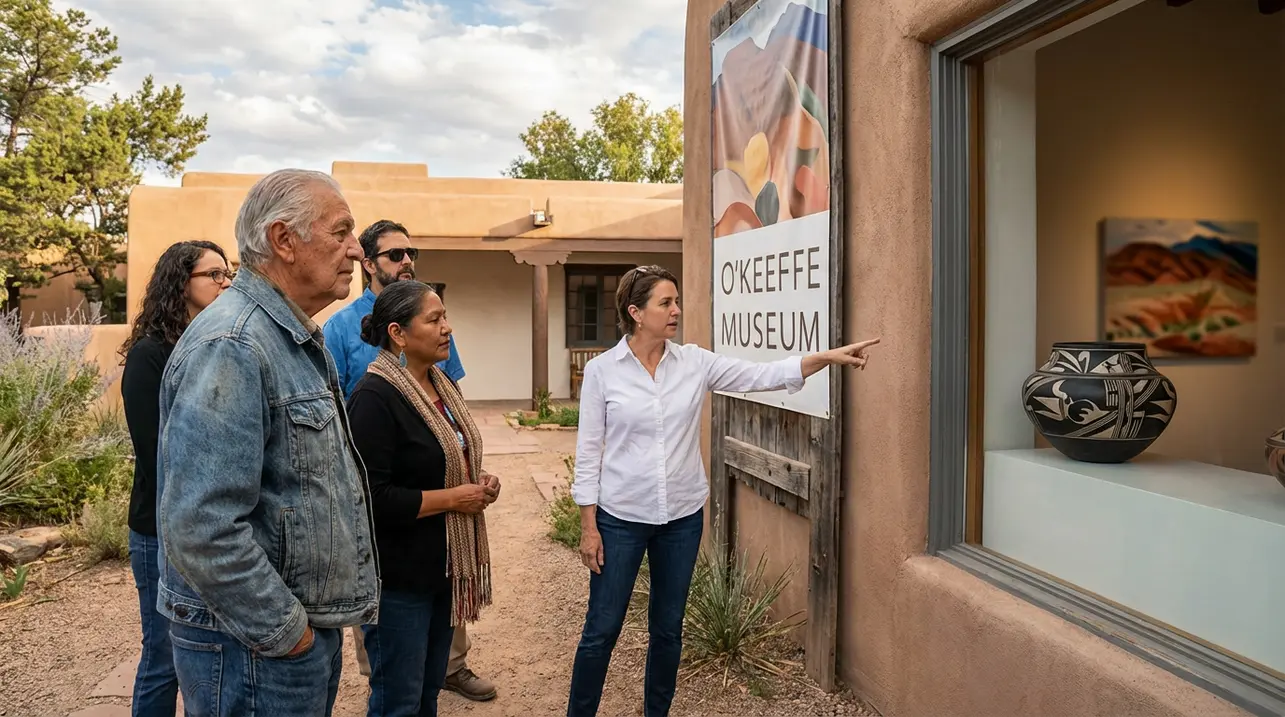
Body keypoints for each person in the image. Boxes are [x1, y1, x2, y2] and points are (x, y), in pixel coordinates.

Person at [566, 265, 880, 717]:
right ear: (636, 312)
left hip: (681, 518)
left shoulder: (694, 362)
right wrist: (588, 526)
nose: (676, 310)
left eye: (676, 301)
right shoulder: (602, 373)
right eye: (665, 303)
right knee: (602, 628)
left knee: (668, 629)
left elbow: (761, 375)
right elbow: (589, 452)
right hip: (620, 519)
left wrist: (825, 358)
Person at [155, 168, 379, 717]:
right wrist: (288, 632)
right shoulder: (233, 344)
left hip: (280, 639)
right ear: (284, 240)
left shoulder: (285, 335)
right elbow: (200, 526)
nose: (357, 251)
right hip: (256, 646)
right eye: (342, 231)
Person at [323, 219, 495, 702]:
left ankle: (448, 669)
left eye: (410, 253)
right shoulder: (367, 382)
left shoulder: (436, 380)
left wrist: (471, 478)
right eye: (395, 255)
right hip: (398, 566)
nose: (406, 262)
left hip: (441, 557)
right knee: (398, 691)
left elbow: (447, 432)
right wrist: (455, 497)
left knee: (423, 693)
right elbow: (369, 490)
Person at [119, 240, 232, 717]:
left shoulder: (217, 345)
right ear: (180, 284)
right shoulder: (150, 356)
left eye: (230, 274)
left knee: (209, 656)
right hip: (160, 530)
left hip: (212, 526)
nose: (226, 283)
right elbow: (157, 455)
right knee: (164, 656)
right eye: (214, 275)